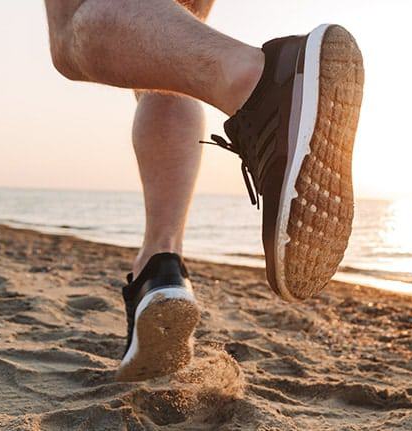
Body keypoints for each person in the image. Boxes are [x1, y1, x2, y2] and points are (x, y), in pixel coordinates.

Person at [43, 0, 364, 382]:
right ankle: (159, 268)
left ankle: (256, 83)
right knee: (167, 64)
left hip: (264, 78)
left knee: (71, 33)